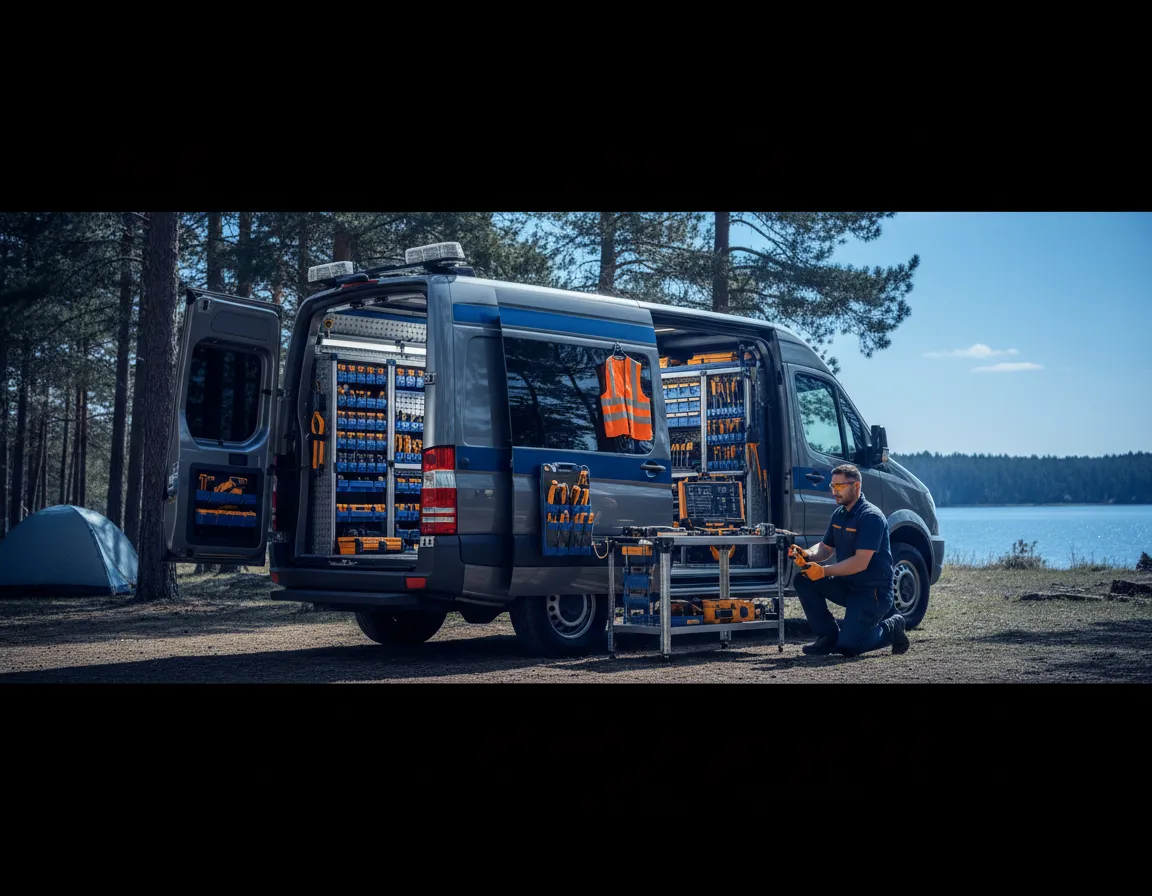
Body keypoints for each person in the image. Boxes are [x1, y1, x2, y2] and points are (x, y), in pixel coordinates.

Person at [789, 463, 909, 657]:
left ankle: (893, 627)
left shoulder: (871, 517)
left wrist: (824, 571)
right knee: (803, 579)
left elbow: (860, 562)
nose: (834, 491)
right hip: (848, 586)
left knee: (849, 647)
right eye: (832, 486)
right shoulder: (840, 514)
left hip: (872, 593)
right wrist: (807, 554)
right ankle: (827, 637)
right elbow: (825, 548)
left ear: (857, 486)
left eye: (840, 486)